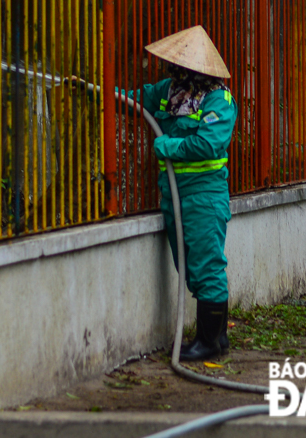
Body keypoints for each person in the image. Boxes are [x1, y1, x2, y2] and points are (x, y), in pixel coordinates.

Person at [122, 25, 237, 362]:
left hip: (204, 194)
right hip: (173, 195)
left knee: (206, 264)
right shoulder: (167, 92)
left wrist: (167, 145)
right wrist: (93, 91)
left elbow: (208, 142)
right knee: (187, 266)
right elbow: (131, 98)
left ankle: (209, 342)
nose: (177, 69)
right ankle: (218, 335)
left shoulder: (219, 99)